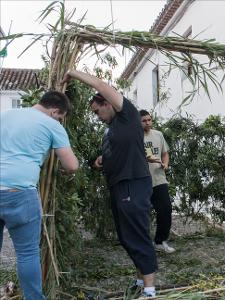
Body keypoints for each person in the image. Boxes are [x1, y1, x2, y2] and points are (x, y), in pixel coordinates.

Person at [62, 70, 157, 297]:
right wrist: (103, 160)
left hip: (133, 182)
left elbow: (100, 84)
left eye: (97, 111)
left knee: (137, 234)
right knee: (126, 236)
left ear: (108, 103)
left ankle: (151, 290)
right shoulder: (113, 128)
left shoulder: (128, 114)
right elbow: (121, 150)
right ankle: (140, 281)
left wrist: (72, 74)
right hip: (119, 184)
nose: (97, 116)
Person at [0, 91, 79, 299]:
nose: (59, 120)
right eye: (60, 117)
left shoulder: (5, 115)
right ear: (55, 112)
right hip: (20, 192)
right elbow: (71, 165)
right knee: (27, 253)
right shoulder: (53, 126)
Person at [139, 110, 175, 253]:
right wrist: (145, 158)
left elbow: (165, 153)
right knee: (141, 213)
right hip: (140, 180)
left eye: (149, 120)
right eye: (144, 121)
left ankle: (160, 241)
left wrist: (165, 164)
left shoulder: (158, 135)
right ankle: (141, 244)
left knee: (165, 209)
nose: (148, 122)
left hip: (159, 179)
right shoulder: (134, 137)